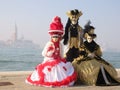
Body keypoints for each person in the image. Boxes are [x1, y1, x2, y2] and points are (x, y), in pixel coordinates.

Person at [25, 16, 77, 87]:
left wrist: (62, 59)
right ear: (51, 37)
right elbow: (43, 53)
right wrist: (50, 52)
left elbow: (61, 54)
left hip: (58, 60)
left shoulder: (60, 44)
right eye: (54, 37)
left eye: (57, 37)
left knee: (65, 68)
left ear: (59, 37)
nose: (55, 38)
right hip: (49, 60)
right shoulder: (49, 44)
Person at [72, 21, 120, 86]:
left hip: (95, 59)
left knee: (104, 65)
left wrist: (94, 55)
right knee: (76, 64)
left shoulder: (96, 46)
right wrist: (87, 55)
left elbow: (99, 54)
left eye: (91, 38)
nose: (90, 39)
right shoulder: (83, 45)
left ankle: (107, 80)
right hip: (85, 60)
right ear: (86, 37)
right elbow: (81, 53)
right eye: (89, 38)